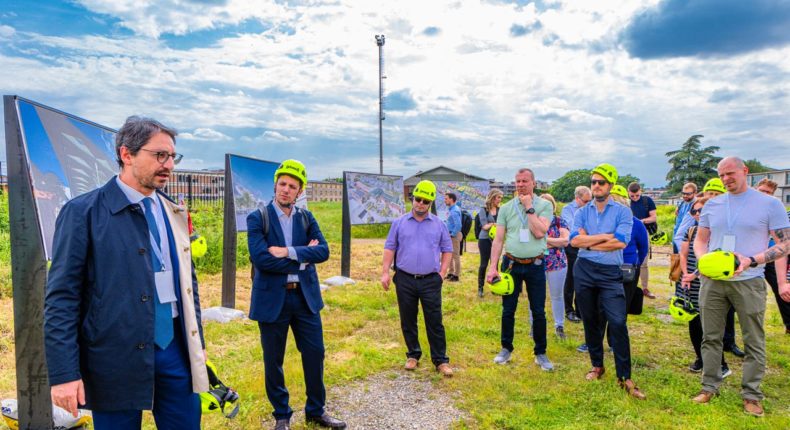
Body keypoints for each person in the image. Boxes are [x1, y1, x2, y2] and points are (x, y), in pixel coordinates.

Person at [45, 116, 208, 429]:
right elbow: (62, 299)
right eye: (159, 155)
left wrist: (196, 339)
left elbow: (188, 283)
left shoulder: (172, 210)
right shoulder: (84, 212)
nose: (169, 165)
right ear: (127, 154)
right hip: (113, 356)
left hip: (174, 350)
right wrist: (64, 374)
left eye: (172, 156)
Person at [247, 159, 346, 430]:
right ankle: (281, 414)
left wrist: (287, 251)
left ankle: (316, 410)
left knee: (315, 354)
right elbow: (261, 259)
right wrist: (304, 257)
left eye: (292, 186)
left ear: (300, 191)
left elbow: (323, 251)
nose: (286, 190)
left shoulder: (306, 217)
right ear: (275, 185)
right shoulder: (259, 218)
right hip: (272, 300)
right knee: (274, 360)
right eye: (282, 184)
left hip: (305, 298)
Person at [691, 157, 789, 417]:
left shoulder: (769, 204)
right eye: (721, 175)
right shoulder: (712, 204)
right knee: (710, 336)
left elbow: (785, 245)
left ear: (745, 172)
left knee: (753, 339)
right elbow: (700, 241)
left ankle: (751, 394)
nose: (725, 179)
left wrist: (751, 260)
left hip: (749, 280)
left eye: (730, 173)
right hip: (713, 282)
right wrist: (704, 261)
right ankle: (709, 385)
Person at [570, 164, 646, 400]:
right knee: (590, 319)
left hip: (611, 271)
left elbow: (621, 242)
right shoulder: (582, 211)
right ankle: (597, 365)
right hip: (584, 270)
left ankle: (625, 377)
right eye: (593, 182)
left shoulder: (623, 212)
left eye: (601, 182)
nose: (596, 186)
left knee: (617, 321)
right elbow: (573, 241)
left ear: (611, 186)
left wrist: (589, 241)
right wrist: (604, 237)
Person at [382, 180, 454, 377]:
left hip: (431, 280)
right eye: (417, 199)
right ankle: (413, 354)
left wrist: (442, 273)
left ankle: (440, 360)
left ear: (430, 203)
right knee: (408, 318)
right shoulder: (399, 223)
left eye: (425, 201)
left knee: (434, 320)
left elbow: (448, 249)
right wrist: (385, 272)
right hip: (405, 278)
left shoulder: (439, 225)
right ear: (412, 198)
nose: (420, 204)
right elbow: (390, 248)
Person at [486, 168, 554, 371]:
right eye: (517, 181)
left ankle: (540, 353)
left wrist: (529, 207)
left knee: (538, 311)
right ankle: (506, 348)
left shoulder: (544, 205)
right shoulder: (506, 208)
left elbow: (540, 232)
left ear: (534, 183)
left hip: (536, 264)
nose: (520, 184)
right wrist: (493, 267)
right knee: (508, 310)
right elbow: (498, 240)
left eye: (525, 181)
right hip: (512, 264)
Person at [674, 178, 745, 358]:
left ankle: (725, 349)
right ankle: (705, 358)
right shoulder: (693, 227)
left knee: (724, 316)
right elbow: (683, 248)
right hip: (698, 277)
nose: (712, 198)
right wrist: (689, 273)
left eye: (716, 194)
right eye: (709, 194)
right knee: (699, 319)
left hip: (722, 276)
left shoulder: (728, 222)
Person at [676, 197, 730, 377]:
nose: (698, 214)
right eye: (694, 211)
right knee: (693, 322)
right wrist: (686, 274)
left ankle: (720, 363)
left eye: (701, 210)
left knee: (710, 325)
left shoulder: (718, 232)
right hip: (689, 281)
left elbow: (718, 259)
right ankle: (699, 357)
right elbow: (683, 254)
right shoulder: (690, 231)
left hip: (707, 282)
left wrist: (695, 274)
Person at [755, 179, 790, 335]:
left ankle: (789, 324)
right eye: (761, 190)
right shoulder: (749, 207)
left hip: (772, 255)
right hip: (752, 256)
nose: (764, 194)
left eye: (767, 192)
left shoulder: (775, 209)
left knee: (780, 289)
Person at [536, 193, 569, 340]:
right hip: (537, 262)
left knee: (557, 295)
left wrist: (544, 240)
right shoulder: (533, 221)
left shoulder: (559, 221)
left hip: (557, 263)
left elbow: (565, 241)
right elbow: (528, 241)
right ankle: (534, 325)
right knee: (536, 296)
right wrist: (554, 241)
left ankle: (559, 325)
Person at [561, 186, 591, 324]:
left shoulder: (590, 209)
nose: (588, 203)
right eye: (585, 201)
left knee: (583, 280)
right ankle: (569, 310)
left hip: (585, 247)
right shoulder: (568, 210)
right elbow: (573, 227)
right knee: (571, 279)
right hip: (572, 248)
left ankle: (580, 309)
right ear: (577, 198)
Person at [628, 182, 657, 299]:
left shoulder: (647, 201)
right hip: (628, 234)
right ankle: (630, 286)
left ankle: (645, 288)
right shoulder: (626, 203)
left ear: (641, 191)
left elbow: (653, 217)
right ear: (628, 193)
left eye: (637, 195)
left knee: (643, 263)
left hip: (643, 232)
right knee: (629, 261)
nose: (634, 198)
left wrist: (640, 222)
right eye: (632, 196)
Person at [476, 189, 504, 297]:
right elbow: (484, 226)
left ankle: (494, 287)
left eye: (501, 198)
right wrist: (494, 224)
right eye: (498, 197)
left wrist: (495, 225)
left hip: (496, 240)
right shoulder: (483, 210)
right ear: (492, 198)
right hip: (484, 239)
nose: (500, 200)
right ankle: (480, 288)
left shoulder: (500, 210)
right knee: (483, 264)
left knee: (495, 263)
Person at [673, 182, 698, 253]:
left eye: (688, 194)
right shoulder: (682, 204)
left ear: (695, 193)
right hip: (677, 238)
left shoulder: (697, 205)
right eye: (683, 193)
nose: (685, 196)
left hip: (689, 240)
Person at [444, 192, 462, 282]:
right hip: (449, 235)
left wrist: (452, 234)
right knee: (450, 255)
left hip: (453, 236)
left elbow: (458, 225)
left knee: (455, 255)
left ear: (451, 199)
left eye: (446, 198)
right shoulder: (451, 209)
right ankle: (450, 273)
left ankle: (456, 275)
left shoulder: (454, 210)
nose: (445, 200)